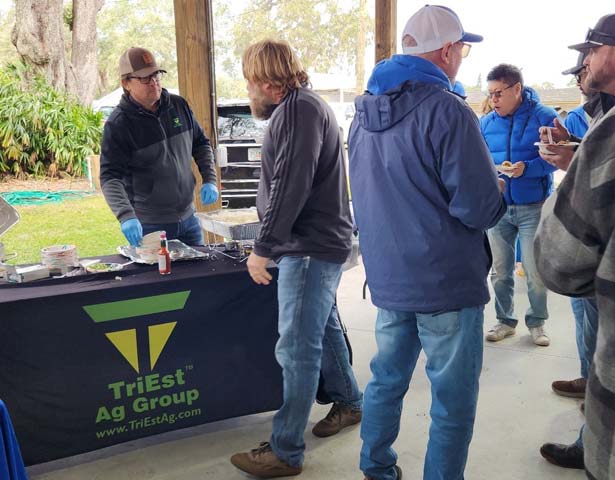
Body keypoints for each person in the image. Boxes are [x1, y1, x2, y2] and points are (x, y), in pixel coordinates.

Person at [348, 5, 506, 480]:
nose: (463, 55)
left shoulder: (361, 116)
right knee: (452, 403)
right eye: (462, 47)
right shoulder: (448, 110)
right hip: (446, 284)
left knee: (385, 381)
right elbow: (477, 209)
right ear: (446, 51)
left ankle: (375, 468)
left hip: (390, 279)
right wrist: (496, 187)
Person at [228, 39, 362, 478]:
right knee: (320, 330)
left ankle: (286, 450)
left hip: (306, 247)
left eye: (250, 80)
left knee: (297, 349)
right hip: (317, 243)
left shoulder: (299, 110)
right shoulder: (303, 107)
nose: (248, 89)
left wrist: (262, 248)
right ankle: (349, 402)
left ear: (266, 81)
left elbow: (289, 184)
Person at [535, 12, 615, 478]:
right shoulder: (605, 117)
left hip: (604, 285)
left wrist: (576, 172)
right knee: (590, 345)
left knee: (600, 349)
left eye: (590, 51)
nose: (583, 65)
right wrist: (576, 157)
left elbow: (556, 260)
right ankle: (586, 433)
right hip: (605, 281)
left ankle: (588, 441)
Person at [99, 47, 218, 247]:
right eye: (145, 78)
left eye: (156, 74)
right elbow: (110, 177)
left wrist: (210, 179)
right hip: (150, 225)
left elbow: (201, 143)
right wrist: (125, 215)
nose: (153, 81)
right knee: (158, 277)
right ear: (126, 83)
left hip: (190, 219)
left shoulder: (179, 106)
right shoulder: (119, 124)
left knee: (200, 276)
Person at [549, 50, 615, 401]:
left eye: (585, 70)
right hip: (589, 233)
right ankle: (587, 378)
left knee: (597, 318)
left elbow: (607, 176)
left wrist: (571, 159)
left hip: (601, 237)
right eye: (577, 74)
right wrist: (571, 146)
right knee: (585, 316)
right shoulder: (594, 113)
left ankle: (597, 397)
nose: (580, 79)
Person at [479, 63, 559, 347]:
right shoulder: (485, 123)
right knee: (500, 271)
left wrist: (528, 169)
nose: (494, 100)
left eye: (499, 93)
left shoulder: (545, 117)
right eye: (490, 94)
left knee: (535, 271)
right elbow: (478, 161)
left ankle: (537, 323)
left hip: (533, 207)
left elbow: (555, 159)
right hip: (498, 209)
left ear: (517, 89)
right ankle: (505, 321)